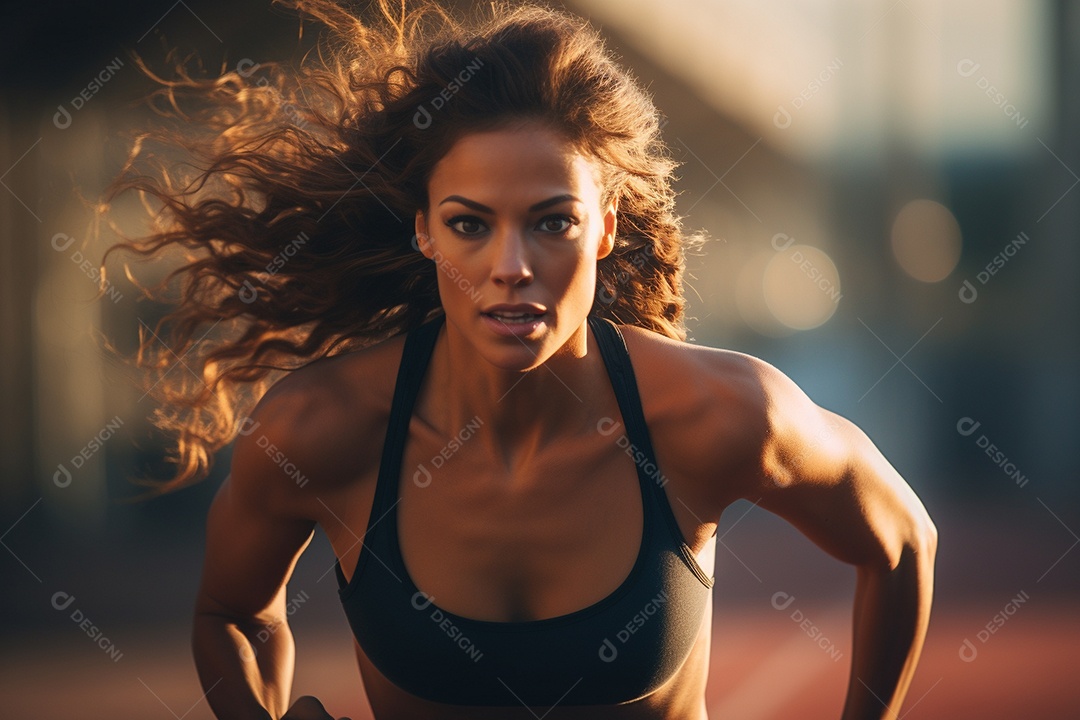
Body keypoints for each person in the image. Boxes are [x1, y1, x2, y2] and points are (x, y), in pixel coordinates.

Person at [101, 1, 936, 718]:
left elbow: (900, 543)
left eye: (552, 221)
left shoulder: (721, 416)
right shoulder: (321, 430)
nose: (512, 266)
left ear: (606, 226)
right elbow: (232, 614)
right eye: (470, 223)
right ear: (423, 228)